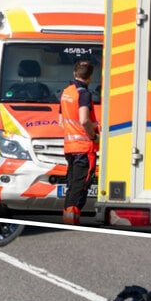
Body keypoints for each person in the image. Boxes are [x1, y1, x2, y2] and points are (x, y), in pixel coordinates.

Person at [60, 60, 99, 225]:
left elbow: (61, 121)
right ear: (90, 77)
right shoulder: (84, 93)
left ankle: (68, 216)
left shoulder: (66, 92)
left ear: (74, 73)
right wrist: (93, 135)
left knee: (72, 182)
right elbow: (84, 120)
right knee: (80, 184)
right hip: (84, 147)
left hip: (69, 146)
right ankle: (71, 218)